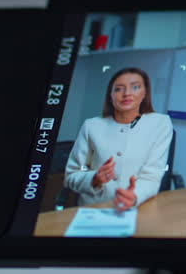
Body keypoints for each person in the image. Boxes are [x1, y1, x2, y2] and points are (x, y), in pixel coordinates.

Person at [64, 66, 173, 211]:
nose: (127, 93)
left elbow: (151, 176)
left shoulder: (160, 123)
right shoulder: (91, 126)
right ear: (110, 95)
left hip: (137, 206)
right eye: (118, 89)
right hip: (94, 208)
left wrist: (134, 196)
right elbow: (72, 175)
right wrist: (94, 179)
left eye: (135, 87)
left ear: (144, 93)